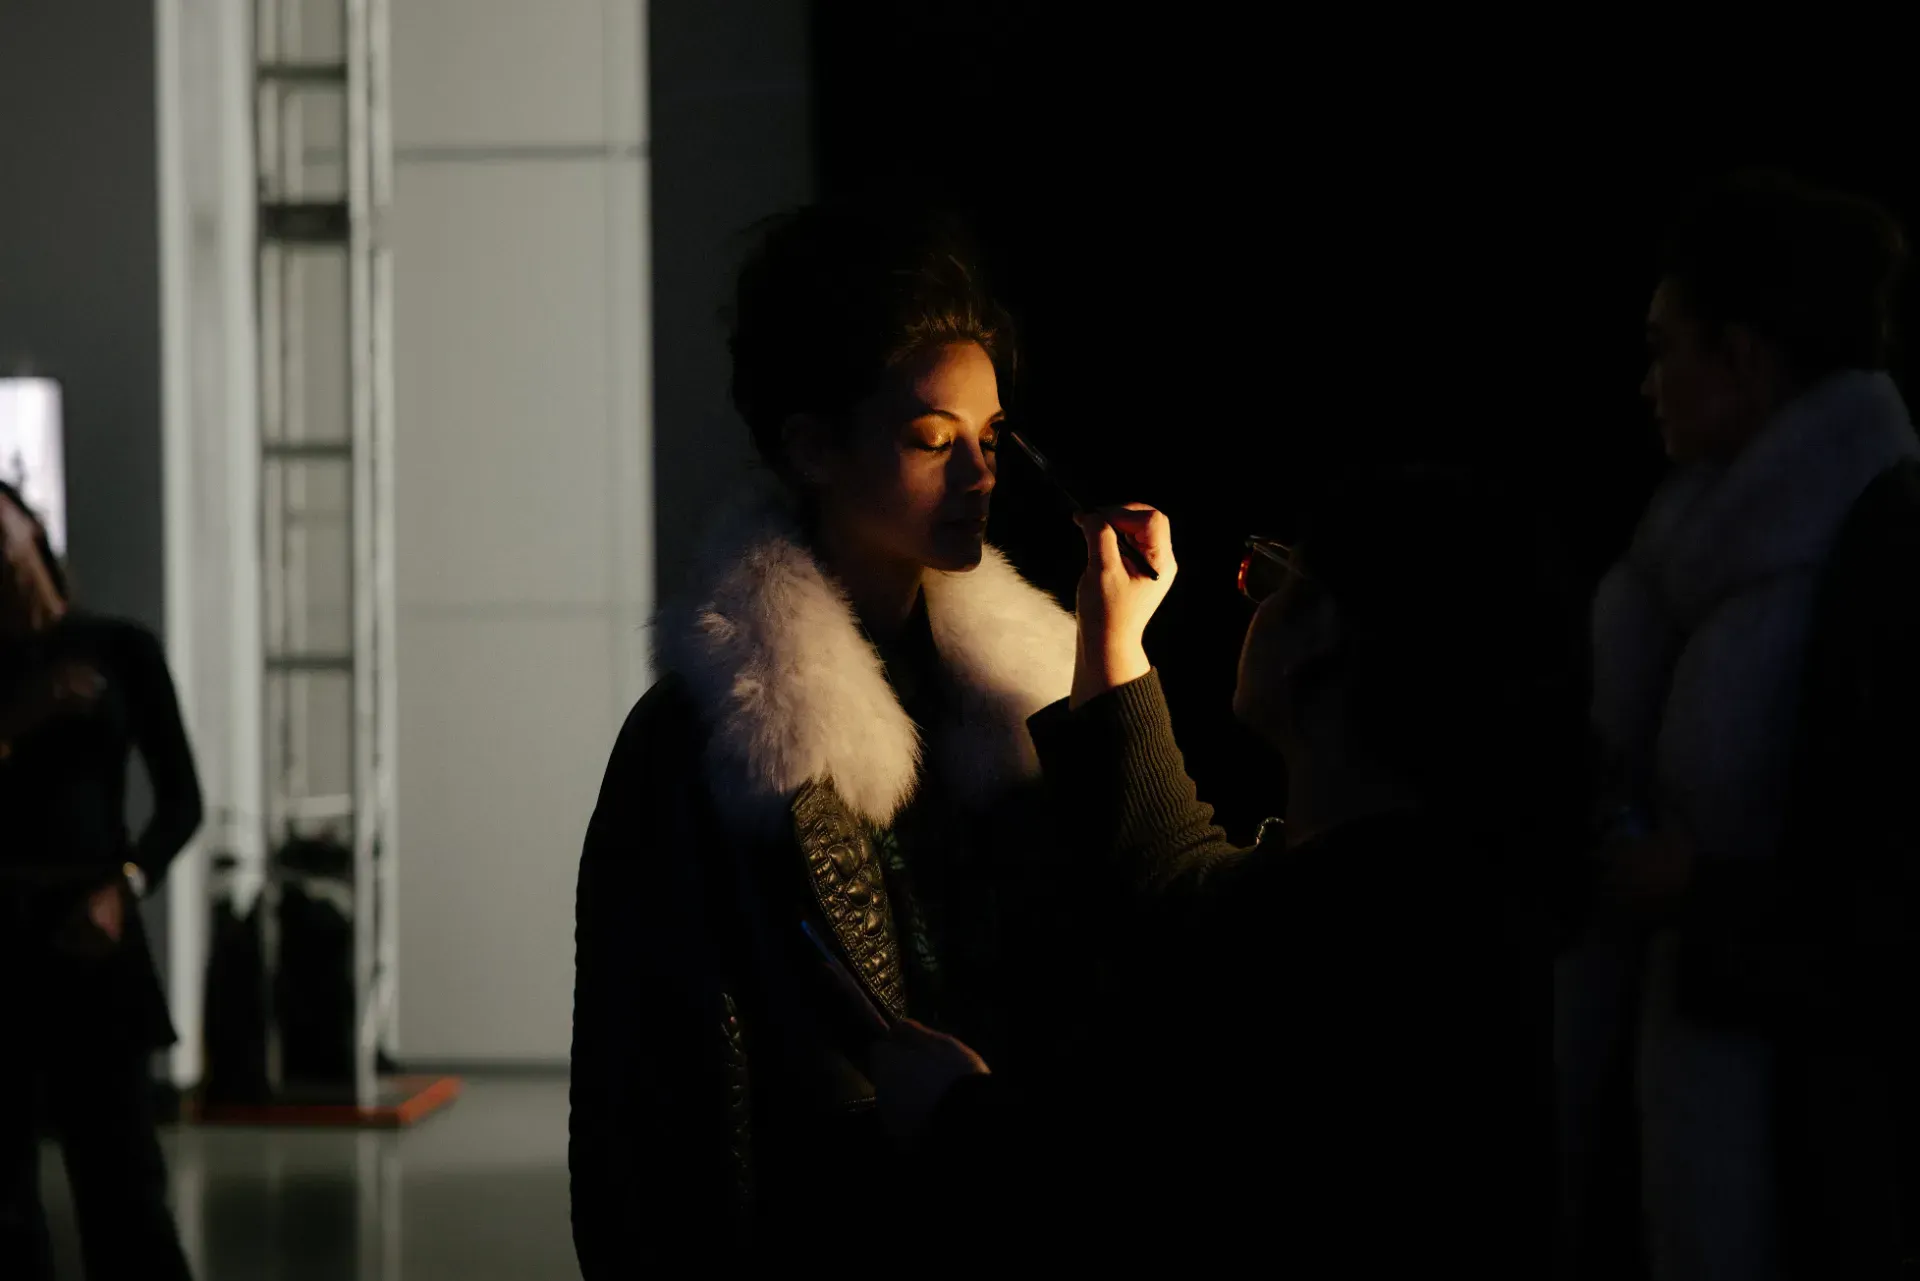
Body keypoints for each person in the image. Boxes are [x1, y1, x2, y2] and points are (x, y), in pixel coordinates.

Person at [869, 465, 1592, 1275]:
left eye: (1276, 578)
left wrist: (958, 1120)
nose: (1257, 602)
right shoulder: (1421, 894)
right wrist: (1113, 640)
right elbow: (1189, 898)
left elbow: (1128, 1195)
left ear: (1331, 638)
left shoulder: (1362, 943)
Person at [568, 200, 1081, 1269]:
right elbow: (642, 1112)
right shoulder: (704, 746)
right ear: (812, 447)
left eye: (990, 440)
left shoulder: (1035, 714)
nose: (979, 475)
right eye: (933, 440)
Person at [1561, 169, 1920, 1280]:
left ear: (1745, 358)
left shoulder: (1883, 561)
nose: (1647, 381)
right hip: (1689, 1131)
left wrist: (1696, 892)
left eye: (1668, 346)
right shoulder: (1701, 563)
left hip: (1830, 1175)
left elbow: (1897, 899)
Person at [0, 482, 202, 1280]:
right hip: (2, 931)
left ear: (30, 526)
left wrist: (126, 881)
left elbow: (181, 799)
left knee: (122, 1180)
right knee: (5, 1196)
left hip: (94, 926)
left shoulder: (120, 647)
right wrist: (22, 718)